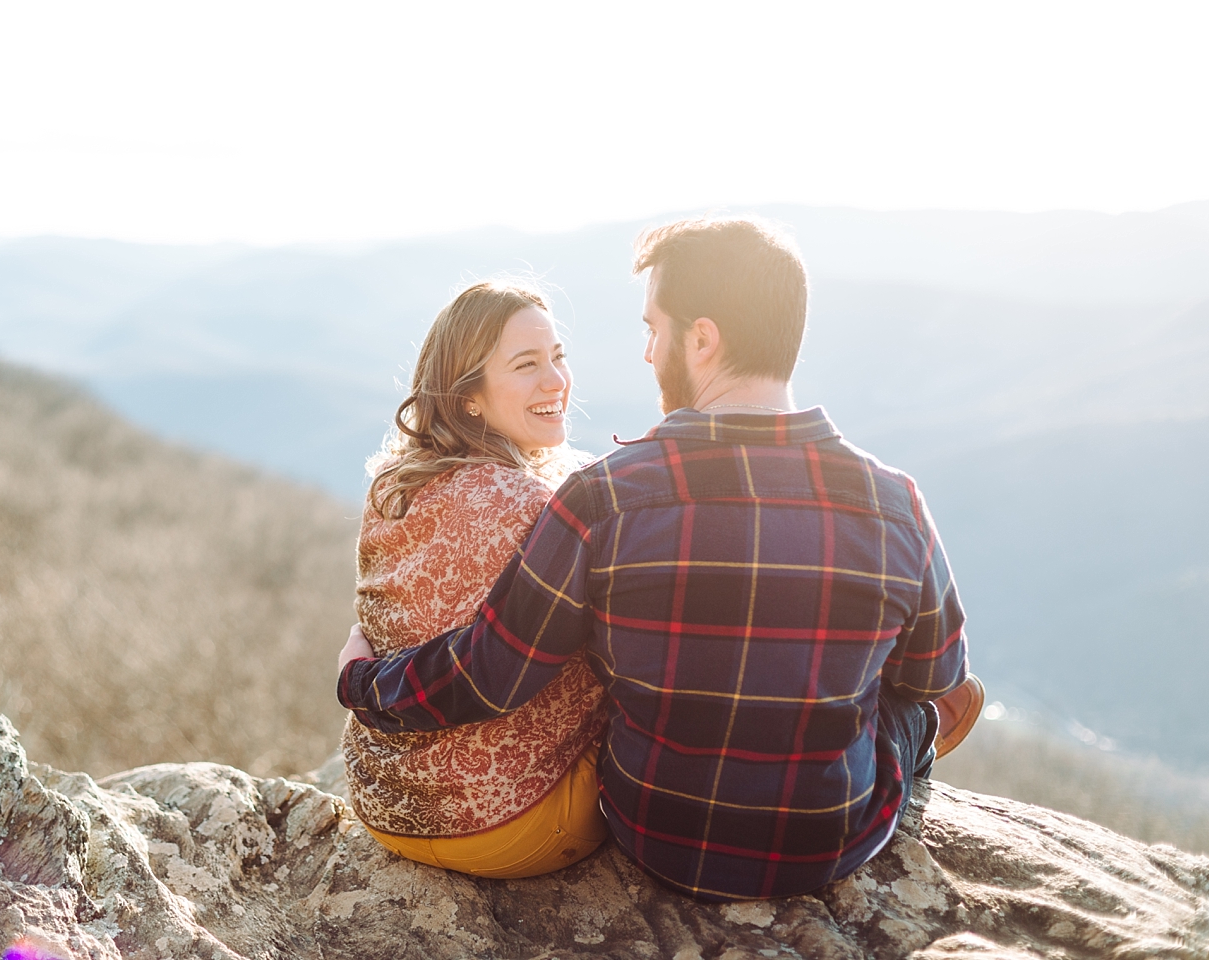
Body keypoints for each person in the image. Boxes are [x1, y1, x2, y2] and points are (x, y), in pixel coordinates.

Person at [338, 217, 984, 902]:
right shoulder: (894, 501)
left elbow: (492, 675)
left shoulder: (601, 496)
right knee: (935, 700)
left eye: (654, 328)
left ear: (701, 339)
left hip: (659, 837)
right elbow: (931, 673)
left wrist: (362, 683)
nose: (647, 352)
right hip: (831, 842)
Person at [340, 280, 608, 879]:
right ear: (471, 400)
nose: (555, 381)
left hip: (386, 808)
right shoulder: (538, 507)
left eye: (558, 357)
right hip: (514, 826)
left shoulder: (394, 483)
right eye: (526, 365)